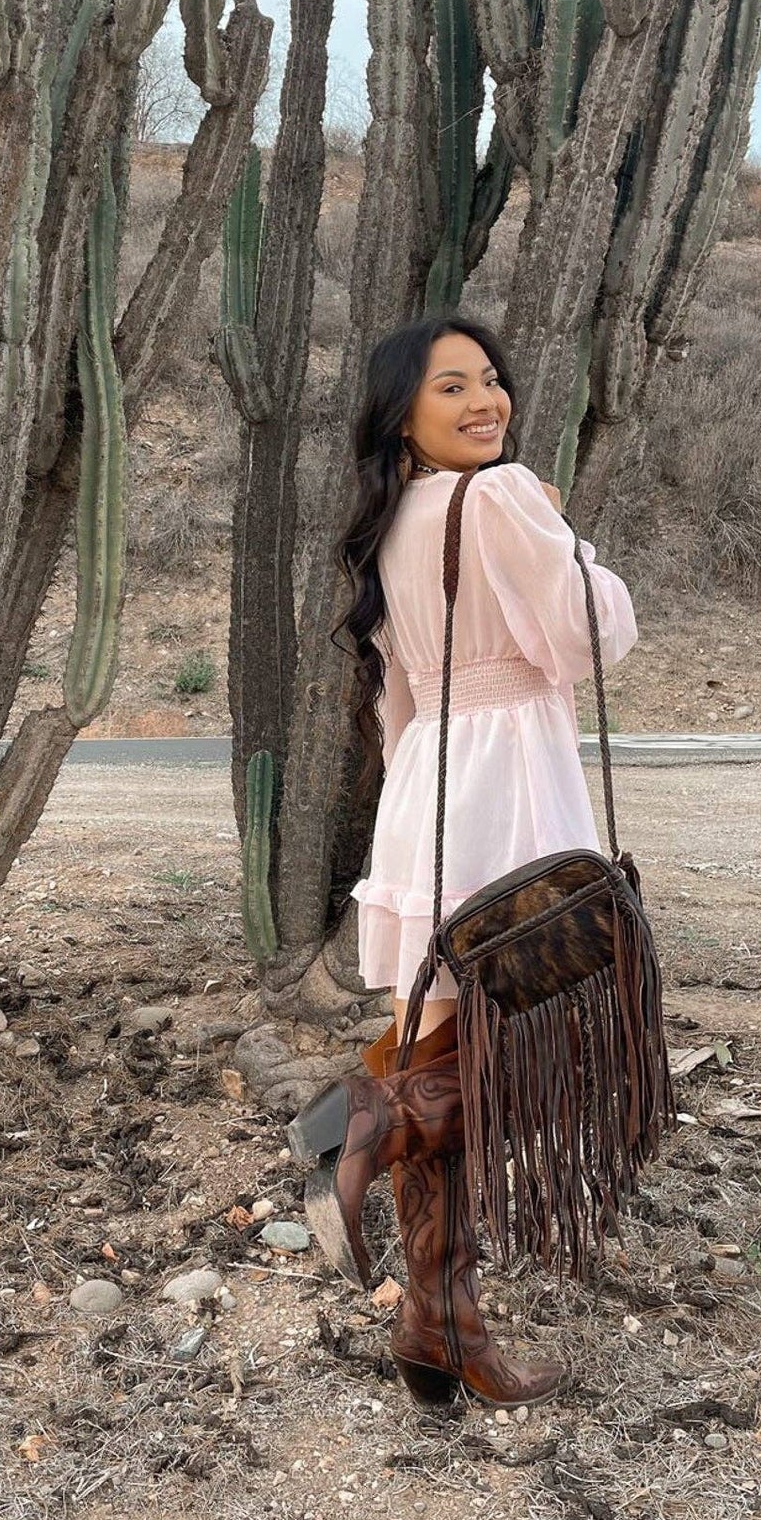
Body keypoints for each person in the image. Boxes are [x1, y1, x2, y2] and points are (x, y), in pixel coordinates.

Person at [289, 314, 638, 1410]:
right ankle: (368, 1126)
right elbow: (590, 638)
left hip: (429, 792)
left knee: (437, 1045)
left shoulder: (396, 517)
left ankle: (437, 1322)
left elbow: (397, 700)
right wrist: (563, 536)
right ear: (403, 414)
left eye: (490, 379)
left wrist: (418, 797)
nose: (485, 401)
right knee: (535, 1054)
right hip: (508, 795)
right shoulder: (497, 496)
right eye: (452, 386)